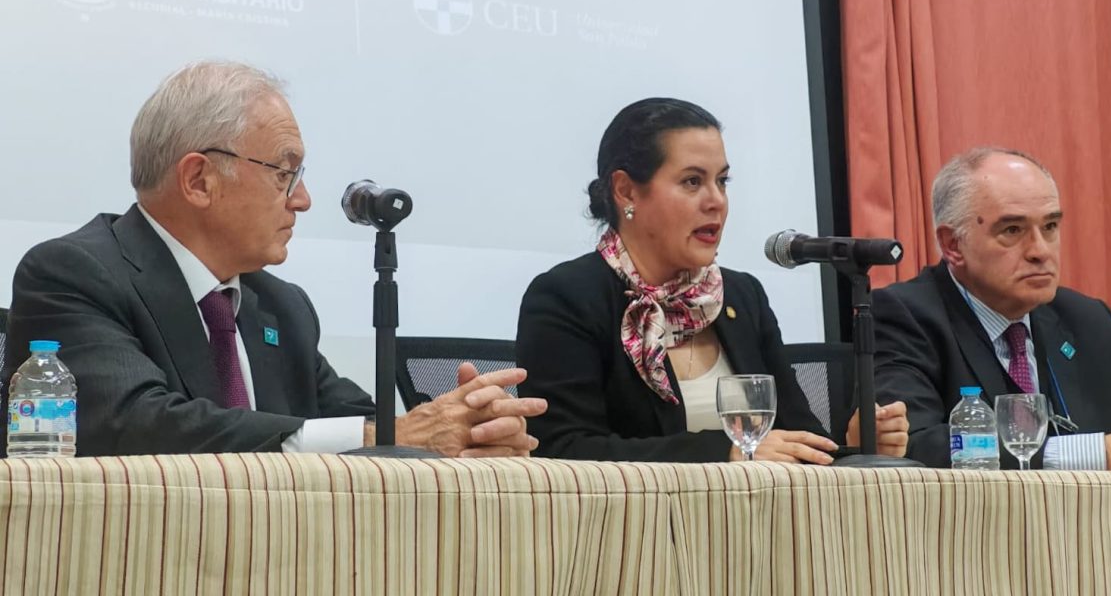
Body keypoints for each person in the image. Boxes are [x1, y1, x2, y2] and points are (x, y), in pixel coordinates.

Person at [5, 61, 546, 457]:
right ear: (199, 180)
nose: (302, 200)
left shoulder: (280, 306)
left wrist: (469, 430)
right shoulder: (73, 274)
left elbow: (361, 422)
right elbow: (134, 424)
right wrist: (394, 436)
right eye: (284, 173)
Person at [516, 98, 909, 463]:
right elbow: (563, 450)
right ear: (627, 191)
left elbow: (797, 437)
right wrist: (728, 452)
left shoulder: (741, 296)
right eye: (692, 181)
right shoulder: (567, 298)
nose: (716, 201)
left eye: (722, 181)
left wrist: (853, 444)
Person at [873, 146, 1111, 469]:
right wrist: (1095, 453)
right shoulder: (906, 316)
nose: (1040, 251)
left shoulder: (1088, 320)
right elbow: (913, 444)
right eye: (1012, 230)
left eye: (1050, 227)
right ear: (953, 244)